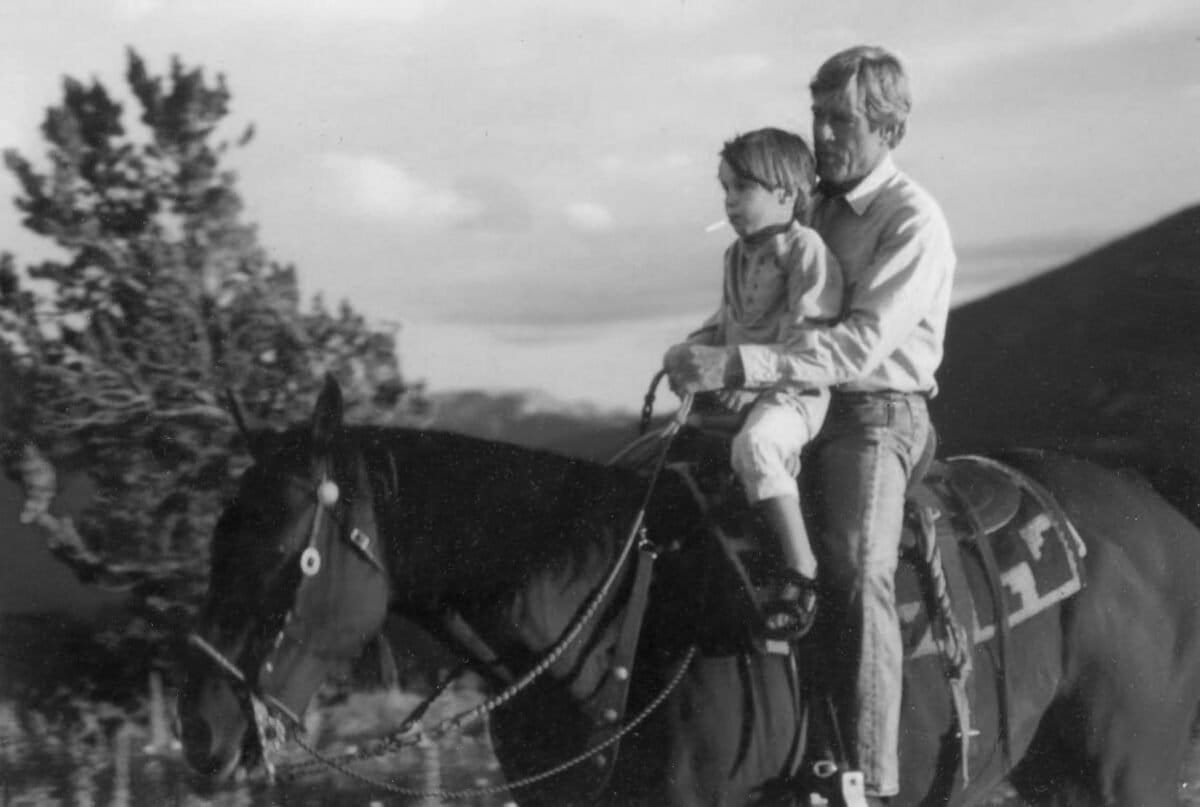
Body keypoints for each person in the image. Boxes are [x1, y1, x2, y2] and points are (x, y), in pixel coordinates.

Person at [663, 46, 955, 805]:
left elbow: (858, 345)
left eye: (842, 120)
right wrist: (699, 350)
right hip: (788, 397)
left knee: (857, 562)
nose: (823, 134)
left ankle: (867, 774)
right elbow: (749, 311)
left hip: (875, 412)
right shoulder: (801, 203)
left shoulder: (913, 220)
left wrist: (736, 367)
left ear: (889, 128)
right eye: (818, 116)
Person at [663, 127, 843, 641]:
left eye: (742, 188)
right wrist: (689, 352)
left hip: (793, 393)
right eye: (725, 188)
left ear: (785, 193)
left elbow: (808, 347)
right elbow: (727, 323)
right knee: (672, 448)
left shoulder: (806, 250)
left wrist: (745, 376)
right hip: (740, 385)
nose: (729, 200)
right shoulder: (735, 256)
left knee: (758, 444)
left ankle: (801, 567)